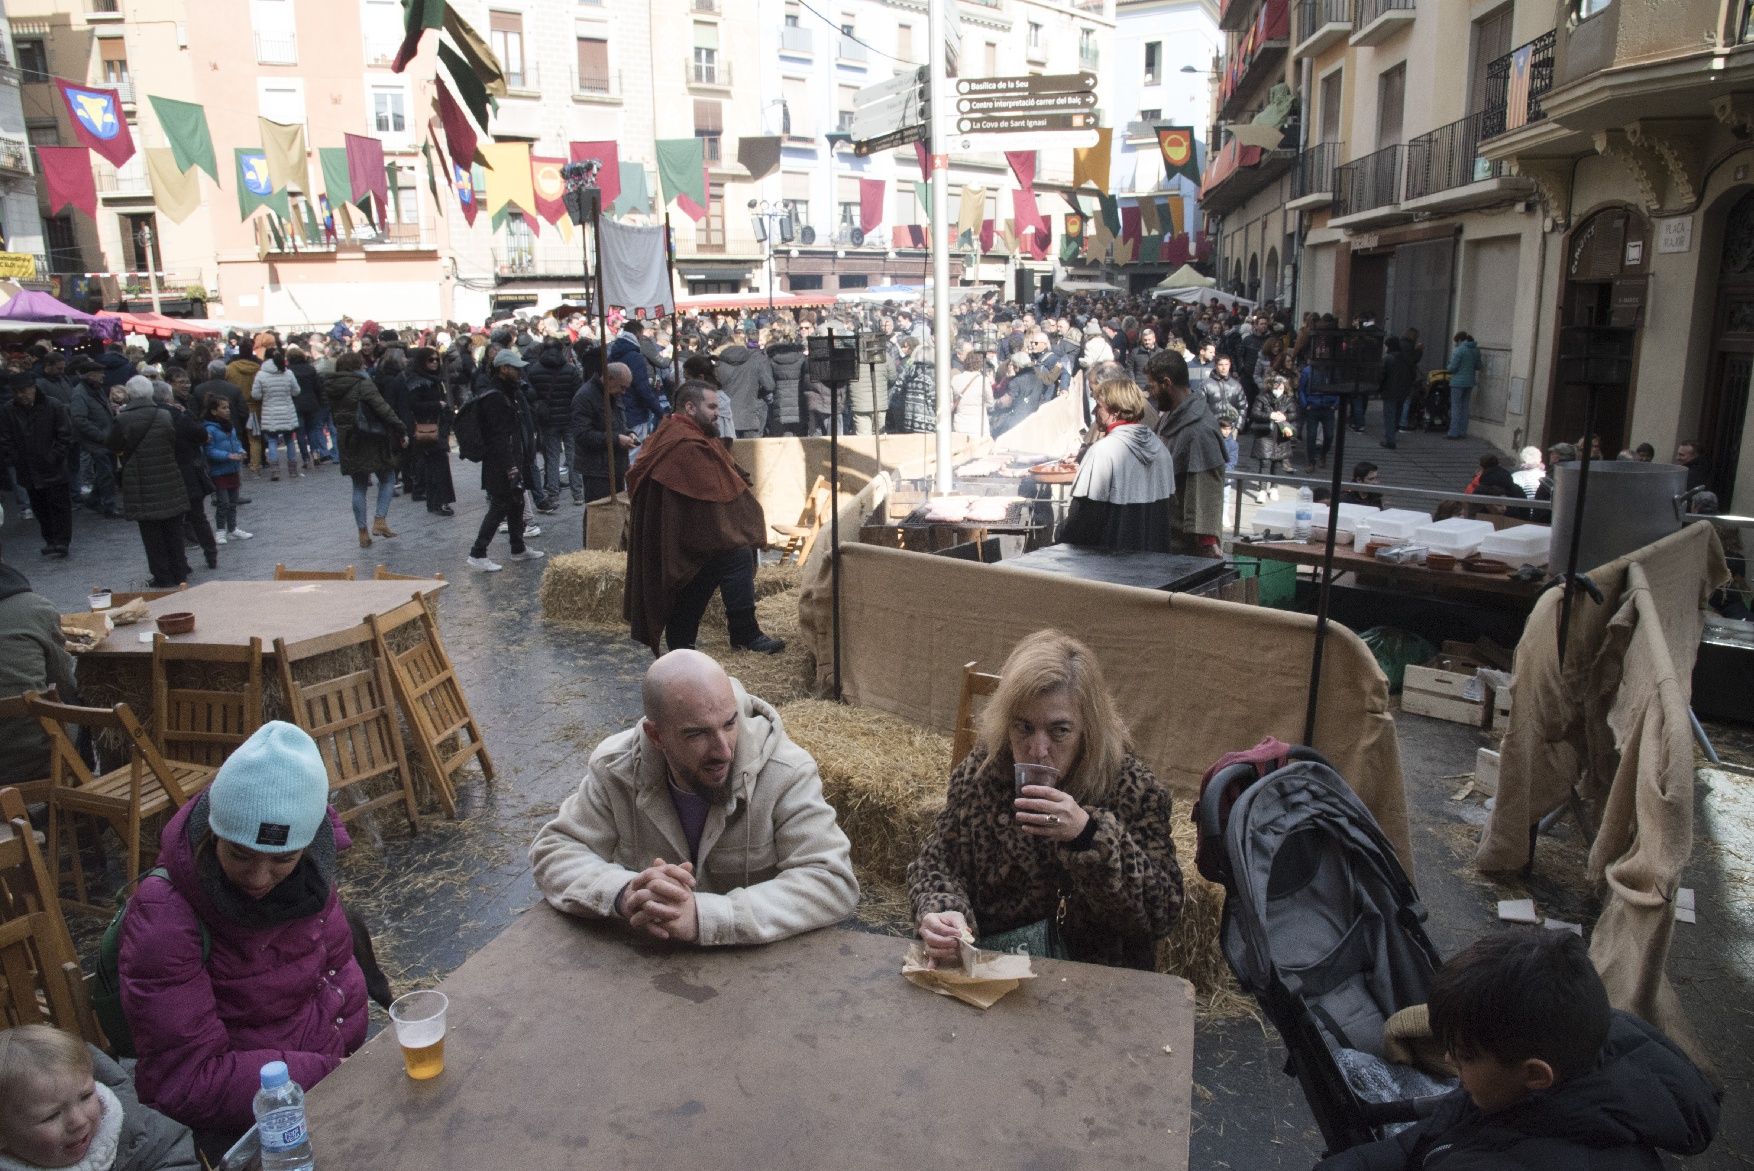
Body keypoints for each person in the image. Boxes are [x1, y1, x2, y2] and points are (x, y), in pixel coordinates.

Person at [118, 723, 369, 1154]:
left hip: (334, 1084)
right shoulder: (165, 917)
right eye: (239, 854)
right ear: (214, 832)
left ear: (308, 846)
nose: (258, 878)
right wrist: (330, 1074)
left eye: (282, 859)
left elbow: (335, 969)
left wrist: (351, 1058)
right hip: (249, 1126)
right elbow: (184, 1079)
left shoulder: (311, 878)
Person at [1316, 928, 1719, 1171]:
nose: (1449, 1059)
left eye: (1466, 1055)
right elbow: (1433, 1133)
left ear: (1535, 1074)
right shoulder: (1541, 1074)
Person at [529, 649, 858, 945]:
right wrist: (625, 893)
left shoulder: (786, 771)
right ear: (656, 736)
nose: (723, 750)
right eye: (697, 733)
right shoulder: (616, 768)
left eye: (729, 723)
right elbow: (555, 850)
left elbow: (831, 881)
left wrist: (705, 917)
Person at [908, 630, 1182, 969]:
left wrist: (1088, 835)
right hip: (995, 970)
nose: (1038, 750)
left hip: (1093, 980)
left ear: (1087, 731)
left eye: (1059, 731)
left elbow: (1162, 911)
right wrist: (943, 911)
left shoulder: (1131, 789)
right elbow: (937, 864)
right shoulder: (983, 773)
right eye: (1024, 728)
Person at [624, 380, 782, 653]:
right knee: (722, 560)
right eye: (711, 407)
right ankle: (735, 635)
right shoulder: (683, 443)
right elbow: (712, 494)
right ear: (690, 407)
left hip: (686, 535)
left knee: (718, 562)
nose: (717, 413)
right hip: (680, 538)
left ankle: (697, 640)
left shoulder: (681, 433)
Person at [0, 1025, 199, 1171]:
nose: (79, 1121)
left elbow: (174, 1153)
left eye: (86, 1096)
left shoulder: (127, 1125)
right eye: (51, 1116)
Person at [1061, 365, 1177, 553]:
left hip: (1110, 563)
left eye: (1099, 406)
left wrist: (1061, 539)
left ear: (1114, 411)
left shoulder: (1103, 451)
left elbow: (1083, 520)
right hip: (1153, 560)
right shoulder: (1162, 450)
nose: (1094, 412)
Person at [466, 350, 546, 572]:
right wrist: (510, 466)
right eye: (516, 368)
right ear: (503, 369)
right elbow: (499, 436)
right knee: (500, 505)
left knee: (516, 502)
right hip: (501, 462)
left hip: (510, 458)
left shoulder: (508, 392)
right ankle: (478, 552)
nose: (520, 372)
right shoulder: (496, 397)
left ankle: (518, 548)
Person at [0, 562, 77, 788]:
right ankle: (79, 791)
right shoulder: (35, 607)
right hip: (36, 753)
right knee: (79, 708)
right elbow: (64, 683)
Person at [107, 377, 189, 589]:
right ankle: (180, 570)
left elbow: (113, 444)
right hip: (168, 477)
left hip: (140, 482)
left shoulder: (123, 419)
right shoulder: (164, 415)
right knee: (173, 529)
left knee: (152, 534)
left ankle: (162, 575)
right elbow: (172, 441)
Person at [1147, 349, 1227, 557]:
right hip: (1164, 539)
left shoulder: (1199, 431)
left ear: (1166, 383)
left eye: (1152, 386)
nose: (1150, 393)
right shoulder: (1169, 418)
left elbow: (1205, 494)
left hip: (1186, 551)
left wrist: (1207, 542)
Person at [325, 351, 407, 548]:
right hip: (370, 437)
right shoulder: (363, 383)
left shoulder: (332, 386)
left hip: (347, 439)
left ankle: (362, 532)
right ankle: (380, 520)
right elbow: (383, 409)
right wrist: (400, 427)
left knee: (359, 485)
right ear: (357, 366)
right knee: (388, 477)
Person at [0, 371, 75, 558]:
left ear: (33, 388)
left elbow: (64, 435)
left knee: (59, 506)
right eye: (17, 392)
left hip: (52, 467)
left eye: (23, 390)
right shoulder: (9, 410)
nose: (20, 395)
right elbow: (5, 438)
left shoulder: (53, 405)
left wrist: (54, 456)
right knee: (40, 507)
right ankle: (51, 540)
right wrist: (15, 458)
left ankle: (61, 541)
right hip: (28, 467)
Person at [525, 336, 581, 511]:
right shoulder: (570, 370)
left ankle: (553, 493)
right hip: (569, 418)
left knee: (552, 456)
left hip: (548, 420)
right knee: (572, 455)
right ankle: (577, 493)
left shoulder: (534, 370)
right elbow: (578, 395)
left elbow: (531, 395)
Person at [569, 360, 634, 508]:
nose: (623, 392)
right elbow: (582, 435)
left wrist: (629, 433)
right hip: (597, 470)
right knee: (599, 513)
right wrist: (616, 439)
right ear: (609, 378)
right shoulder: (585, 396)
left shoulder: (612, 394)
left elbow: (617, 424)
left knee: (614, 512)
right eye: (622, 387)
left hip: (615, 466)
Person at [405, 346, 456, 517]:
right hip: (427, 427)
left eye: (436, 359)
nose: (434, 363)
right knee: (436, 465)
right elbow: (413, 405)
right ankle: (439, 502)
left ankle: (437, 502)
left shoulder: (435, 379)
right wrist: (436, 405)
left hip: (438, 427)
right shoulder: (417, 381)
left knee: (437, 464)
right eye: (430, 360)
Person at [68, 359, 121, 518]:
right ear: (90, 375)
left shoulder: (95, 389)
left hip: (105, 438)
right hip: (96, 441)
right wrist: (100, 435)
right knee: (106, 472)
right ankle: (109, 505)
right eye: (99, 373)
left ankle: (93, 500)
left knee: (107, 471)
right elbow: (79, 419)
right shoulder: (80, 393)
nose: (103, 376)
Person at [201, 397, 250, 545]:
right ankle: (220, 530)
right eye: (223, 408)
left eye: (228, 407)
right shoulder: (210, 429)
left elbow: (236, 443)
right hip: (219, 471)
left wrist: (241, 451)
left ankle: (232, 528)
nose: (227, 410)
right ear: (214, 411)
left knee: (233, 501)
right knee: (223, 502)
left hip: (233, 469)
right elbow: (210, 451)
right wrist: (228, 455)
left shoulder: (230, 427)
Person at [1246, 372, 1298, 502]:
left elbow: (1294, 414)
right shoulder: (1262, 397)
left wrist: (1285, 416)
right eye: (1276, 387)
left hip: (1281, 435)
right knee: (1265, 462)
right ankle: (1262, 490)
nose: (1278, 390)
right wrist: (1270, 415)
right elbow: (1254, 413)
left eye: (1281, 388)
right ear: (1271, 386)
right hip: (1265, 434)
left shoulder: (1288, 399)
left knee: (1278, 462)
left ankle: (1274, 487)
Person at [609, 319, 663, 441]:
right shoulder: (635, 357)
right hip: (636, 413)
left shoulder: (612, 353)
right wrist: (659, 412)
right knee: (636, 448)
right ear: (638, 333)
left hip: (618, 411)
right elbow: (642, 389)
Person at [1378, 335, 1417, 450]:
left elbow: (1381, 375)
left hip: (1389, 391)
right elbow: (1413, 374)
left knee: (1389, 415)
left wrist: (1379, 388)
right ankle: (1392, 434)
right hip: (1403, 391)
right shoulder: (1406, 358)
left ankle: (1390, 440)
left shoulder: (1388, 358)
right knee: (1397, 414)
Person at [948, 347, 991, 438]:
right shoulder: (984, 380)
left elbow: (950, 403)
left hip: (960, 424)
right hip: (979, 425)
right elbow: (990, 402)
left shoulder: (955, 379)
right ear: (980, 364)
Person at [1445, 331, 1480, 440]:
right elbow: (1478, 366)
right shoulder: (1475, 350)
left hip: (1457, 382)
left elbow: (1452, 368)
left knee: (1456, 407)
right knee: (1465, 407)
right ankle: (1462, 432)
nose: (1456, 344)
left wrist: (1448, 366)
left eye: (1456, 342)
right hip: (1469, 382)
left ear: (1460, 340)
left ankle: (1453, 432)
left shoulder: (1459, 350)